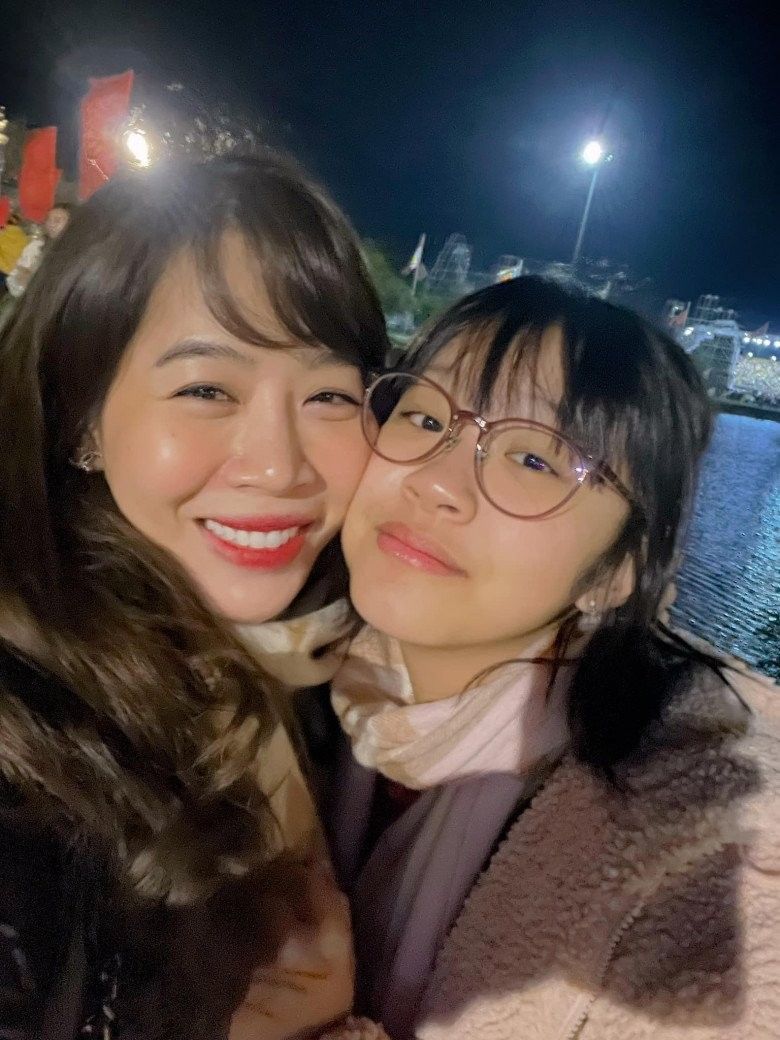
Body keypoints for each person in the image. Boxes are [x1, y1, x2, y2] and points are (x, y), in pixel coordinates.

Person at [0, 152, 389, 1039]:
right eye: (206, 388)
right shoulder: (30, 748)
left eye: (330, 395)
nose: (280, 466)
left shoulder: (312, 670)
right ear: (81, 418)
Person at [328, 276, 780, 1039]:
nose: (436, 481)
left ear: (617, 571)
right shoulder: (287, 679)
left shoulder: (699, 839)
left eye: (536, 461)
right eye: (426, 416)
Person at [5, 202, 71, 298]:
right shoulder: (36, 246)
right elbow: (14, 280)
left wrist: (32, 277)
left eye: (57, 220)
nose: (50, 224)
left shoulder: (75, 255)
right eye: (48, 219)